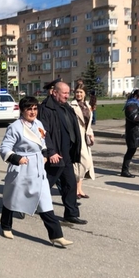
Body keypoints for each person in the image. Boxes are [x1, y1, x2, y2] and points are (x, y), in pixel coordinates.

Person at [0, 96, 72, 247]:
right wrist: (16, 158)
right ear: (22, 110)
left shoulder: (39, 124)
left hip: (38, 168)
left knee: (45, 200)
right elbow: (4, 148)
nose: (32, 112)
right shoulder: (15, 127)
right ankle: (6, 225)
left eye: (35, 109)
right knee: (12, 198)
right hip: (22, 168)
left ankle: (56, 235)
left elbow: (43, 142)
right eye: (29, 109)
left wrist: (45, 155)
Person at [38, 80, 87, 225]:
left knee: (70, 184)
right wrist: (51, 151)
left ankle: (71, 214)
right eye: (64, 93)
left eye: (68, 93)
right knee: (45, 184)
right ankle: (22, 205)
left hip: (66, 153)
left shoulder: (66, 107)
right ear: (54, 92)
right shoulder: (45, 109)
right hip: (54, 154)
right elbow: (43, 133)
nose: (67, 96)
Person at [70, 87, 95, 199]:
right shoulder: (72, 106)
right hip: (76, 137)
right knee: (80, 163)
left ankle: (79, 189)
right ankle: (74, 190)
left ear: (85, 93)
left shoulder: (87, 106)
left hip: (85, 138)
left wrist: (91, 133)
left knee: (85, 163)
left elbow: (88, 123)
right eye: (77, 92)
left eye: (81, 92)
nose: (79, 94)